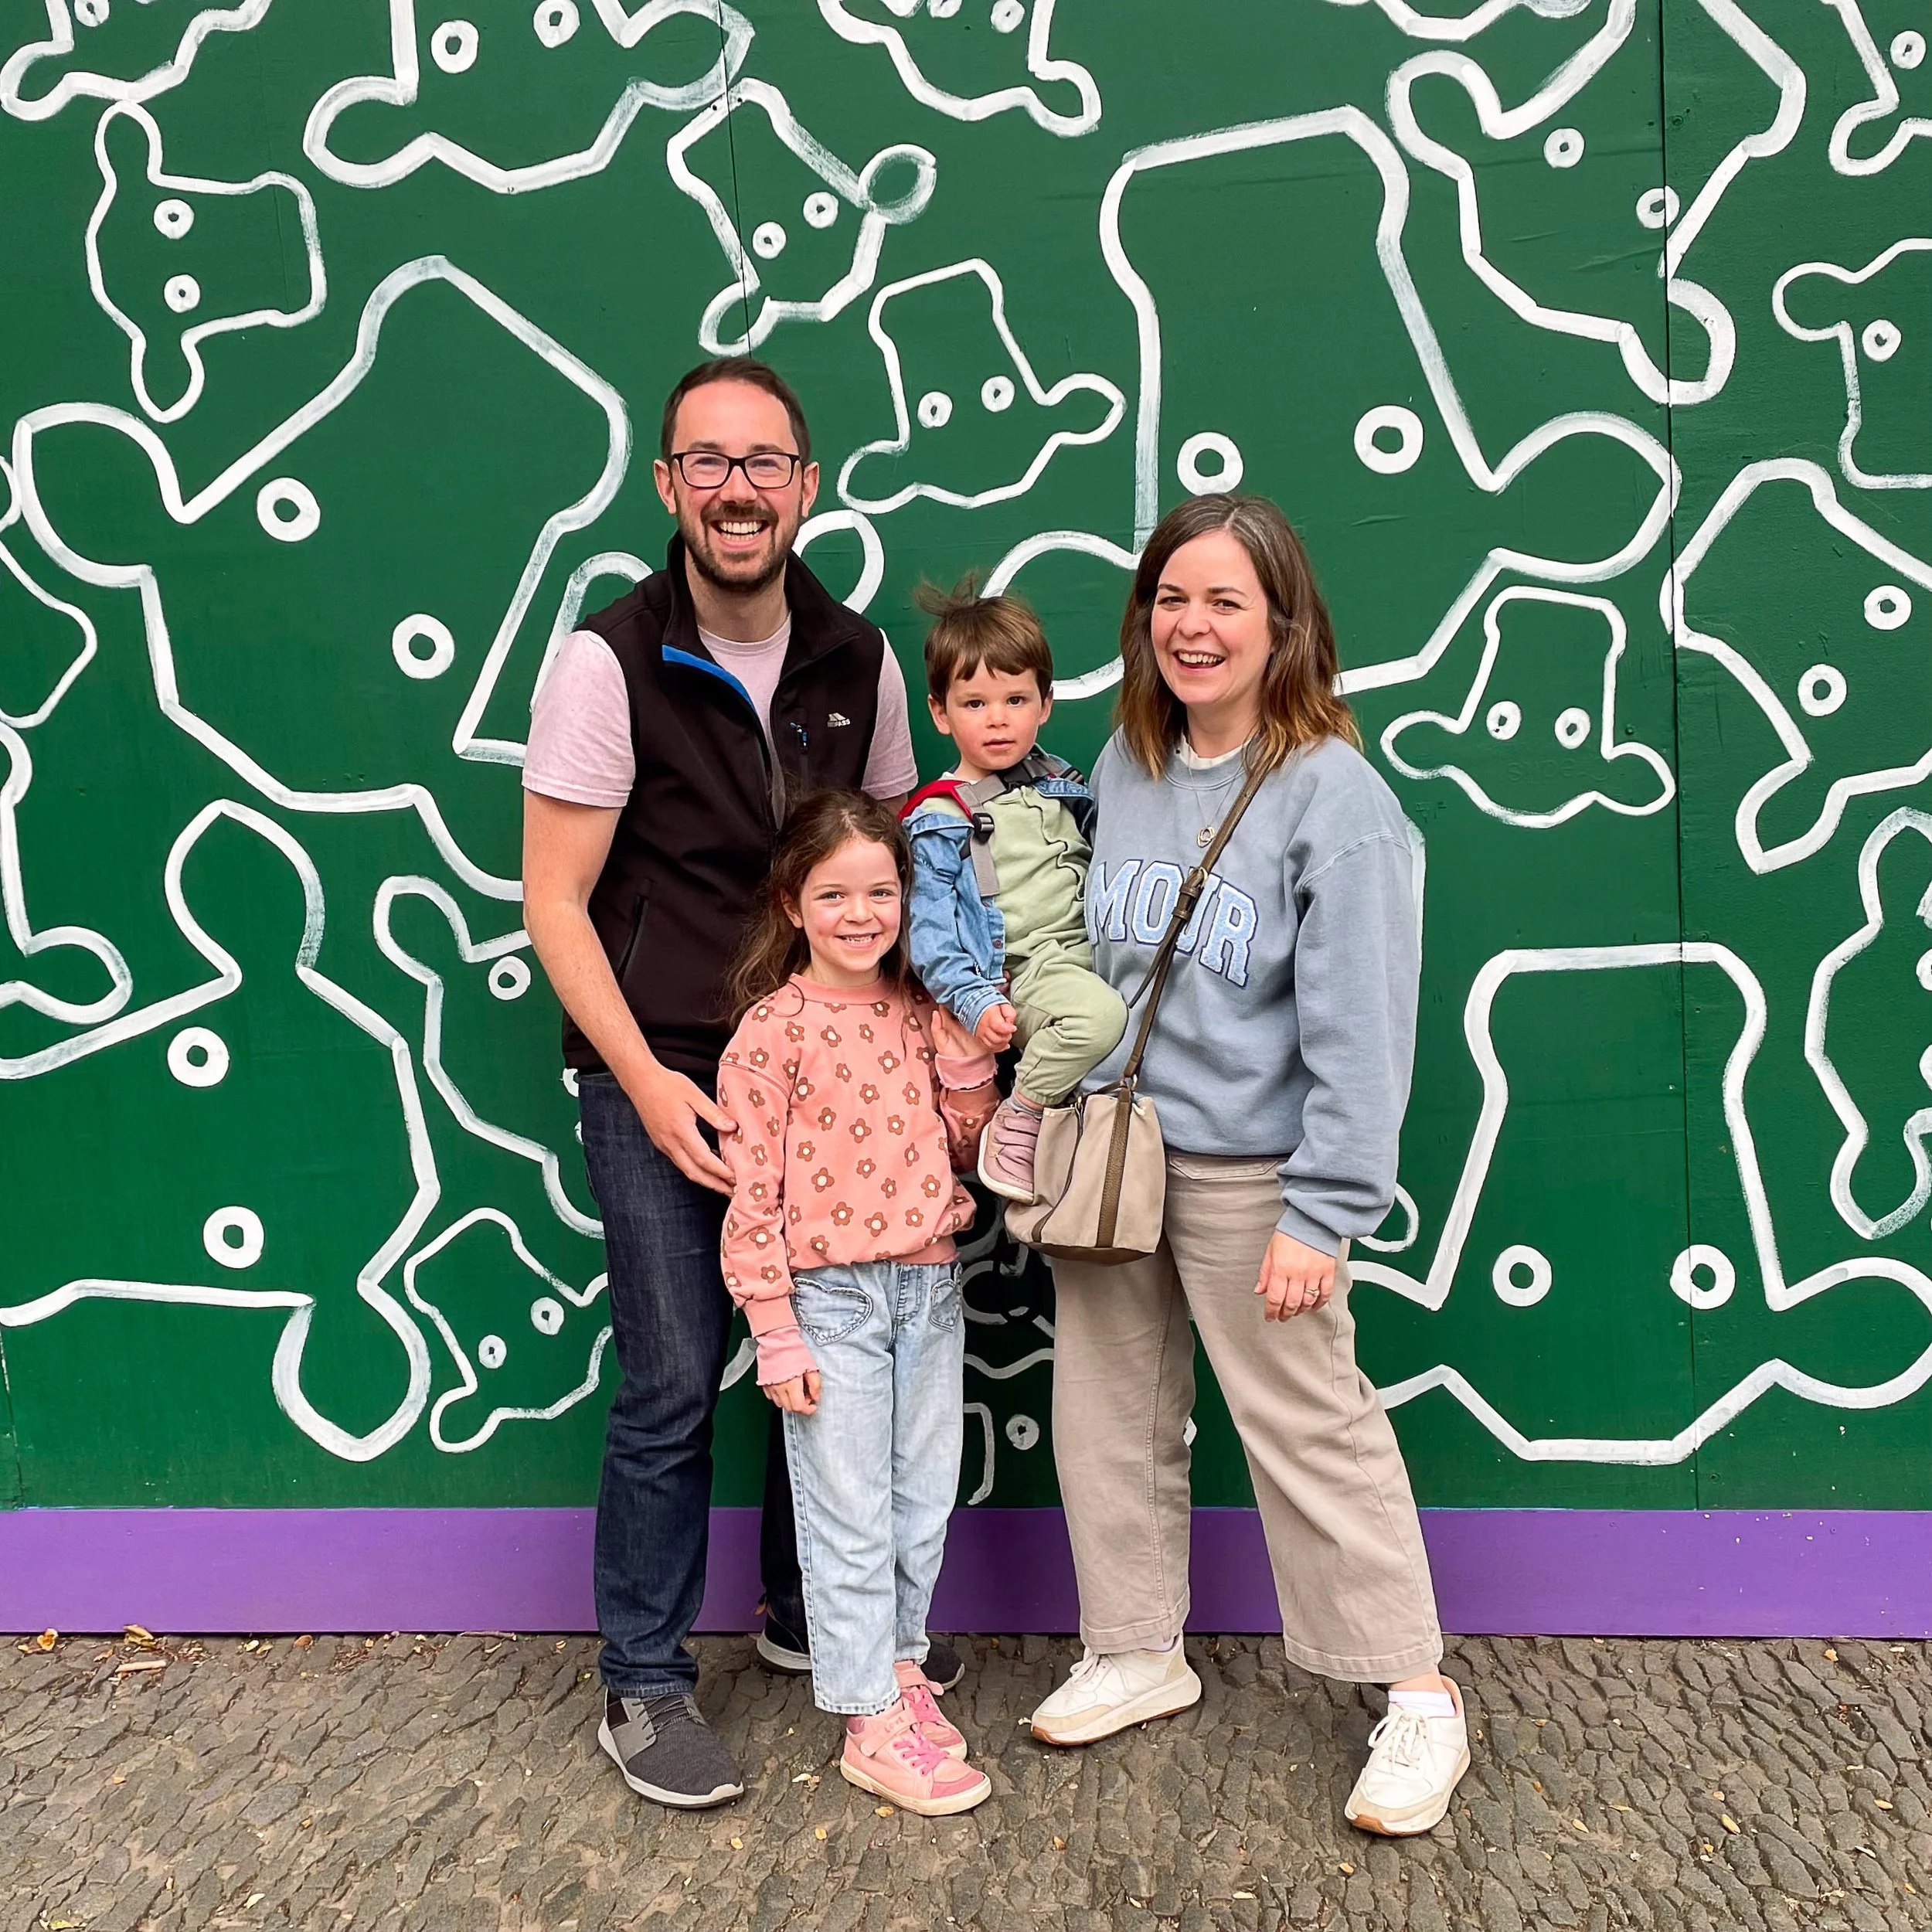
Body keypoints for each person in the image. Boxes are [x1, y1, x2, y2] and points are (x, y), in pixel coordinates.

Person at [521, 356, 960, 1810]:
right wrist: (647, 1084)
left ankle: (811, 1618)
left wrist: (929, 1051)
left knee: (824, 1364)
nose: (736, 490)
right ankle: (644, 1682)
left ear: (805, 485)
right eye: (706, 462)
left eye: (764, 462)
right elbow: (555, 902)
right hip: (669, 1074)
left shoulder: (860, 659)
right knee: (670, 1381)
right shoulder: (607, 661)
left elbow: (884, 871)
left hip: (835, 1074)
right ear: (667, 486)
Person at [1027, 493, 1471, 1838]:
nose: (1193, 626)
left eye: (1225, 601)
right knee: (1107, 1414)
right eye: (1171, 598)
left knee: (1310, 1427)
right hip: (1116, 1157)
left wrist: (1323, 1212)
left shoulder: (1337, 799)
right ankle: (1136, 1649)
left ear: (1285, 624)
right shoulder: (1126, 762)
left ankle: (1417, 1693)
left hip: (1254, 1175)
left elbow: (1364, 1031)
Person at [717, 791, 998, 1816]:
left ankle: (900, 1664)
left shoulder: (922, 1009)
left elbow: (973, 1146)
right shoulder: (771, 1032)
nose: (859, 913)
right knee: (848, 1514)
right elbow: (751, 1195)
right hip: (829, 1300)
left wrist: (968, 1069)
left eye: (880, 891)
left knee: (921, 1502)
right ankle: (867, 1718)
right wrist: (774, 1330)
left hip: (929, 1286)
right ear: (791, 904)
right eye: (833, 894)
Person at [900, 581, 1127, 1202]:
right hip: (1024, 975)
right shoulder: (940, 819)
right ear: (940, 713)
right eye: (974, 703)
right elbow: (929, 937)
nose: (997, 718)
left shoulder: (1062, 784)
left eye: (1016, 699)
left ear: (1045, 704)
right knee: (1099, 1019)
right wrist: (974, 1001)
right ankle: (1019, 1118)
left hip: (1095, 957)